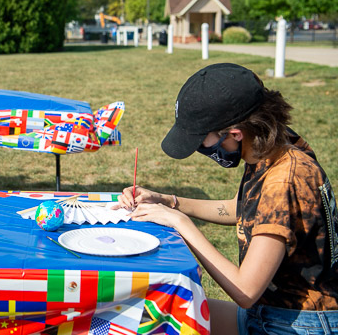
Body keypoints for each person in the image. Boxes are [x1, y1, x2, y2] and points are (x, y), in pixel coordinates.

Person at [117, 63, 337, 335]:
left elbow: (245, 290)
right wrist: (168, 201)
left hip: (295, 324)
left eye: (202, 140)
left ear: (234, 133)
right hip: (268, 312)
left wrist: (182, 224)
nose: (199, 148)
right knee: (157, 314)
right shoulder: (271, 147)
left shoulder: (285, 179)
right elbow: (239, 209)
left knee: (160, 325)